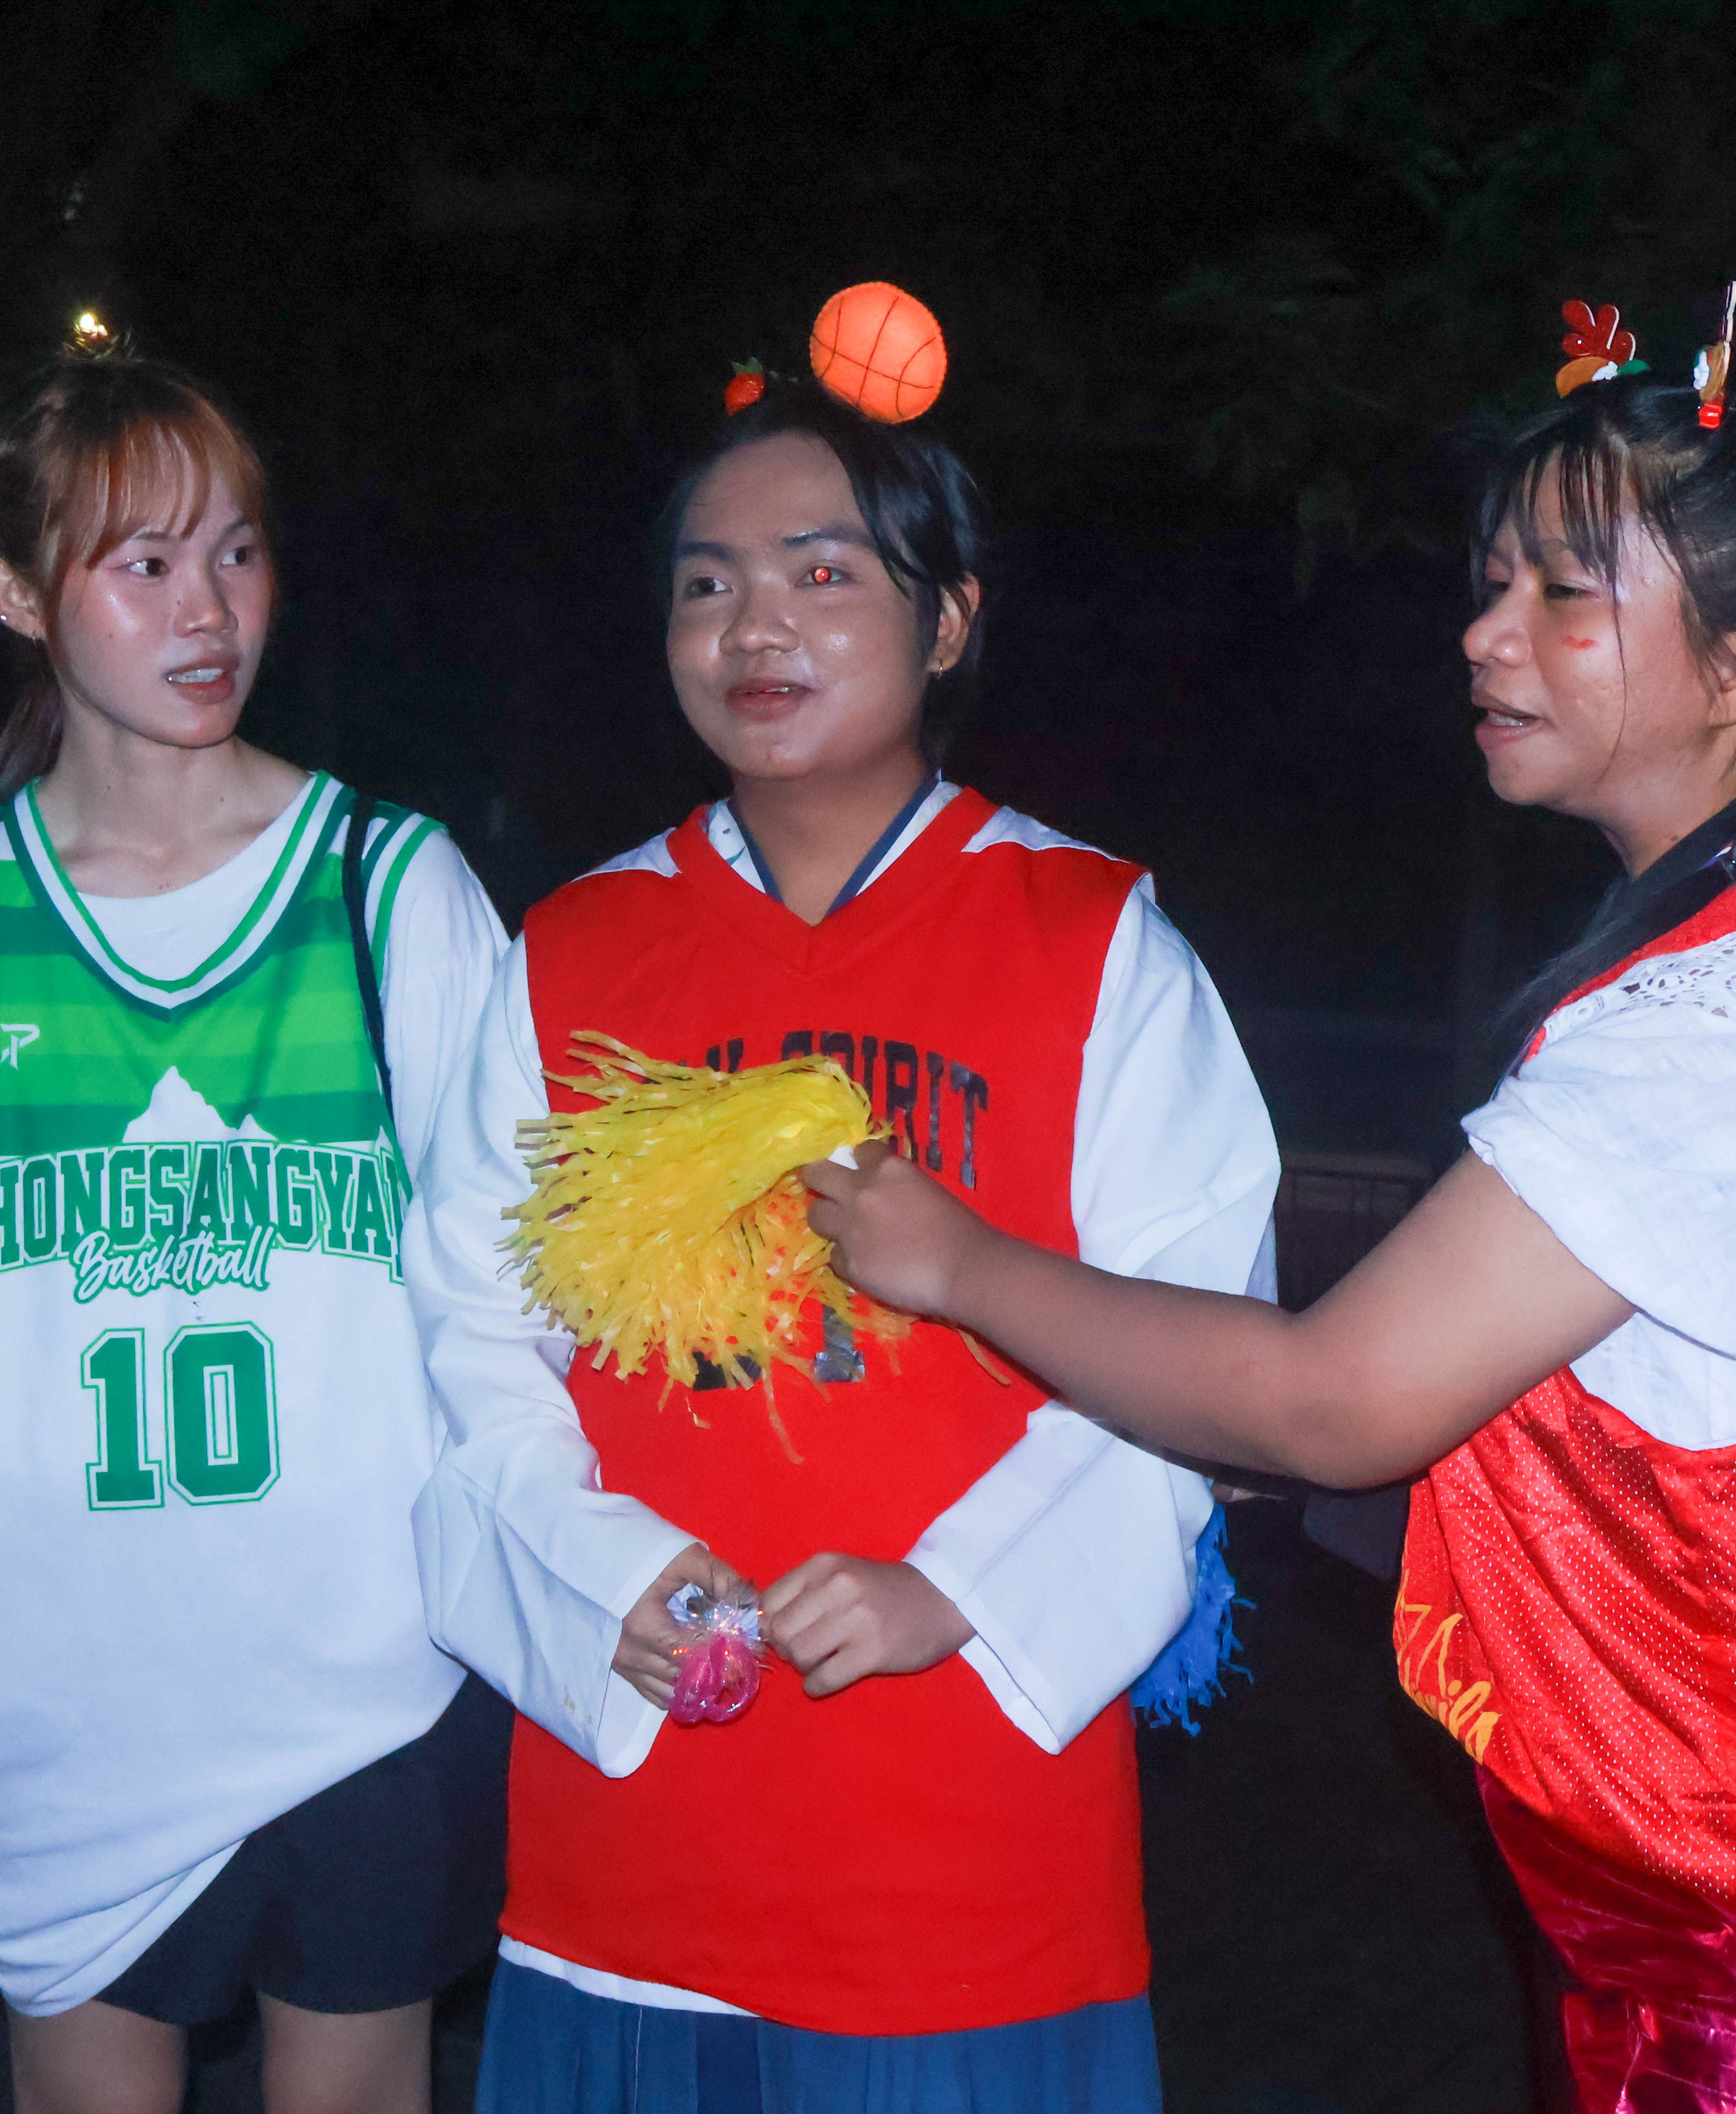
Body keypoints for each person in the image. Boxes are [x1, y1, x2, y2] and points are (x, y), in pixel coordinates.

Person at [805, 366, 1736, 2112]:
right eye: (1494, 582)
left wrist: (955, 1261)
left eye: (1567, 592)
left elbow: (1335, 1401)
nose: (1489, 636)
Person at [404, 366, 1280, 2113]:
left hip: (969, 1864)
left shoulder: (1091, 937)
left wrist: (956, 1589)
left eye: (822, 574)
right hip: (632, 1855)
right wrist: (604, 1574)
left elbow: (1198, 1346)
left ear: (947, 620)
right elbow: (466, 1338)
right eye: (708, 582)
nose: (754, 627)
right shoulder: (571, 951)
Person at [0, 347, 512, 2114]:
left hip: (373, 1684)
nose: (208, 610)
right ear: (15, 594)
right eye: (142, 563)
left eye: (236, 552)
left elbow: (505, 1317)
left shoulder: (391, 890)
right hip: (57, 1704)